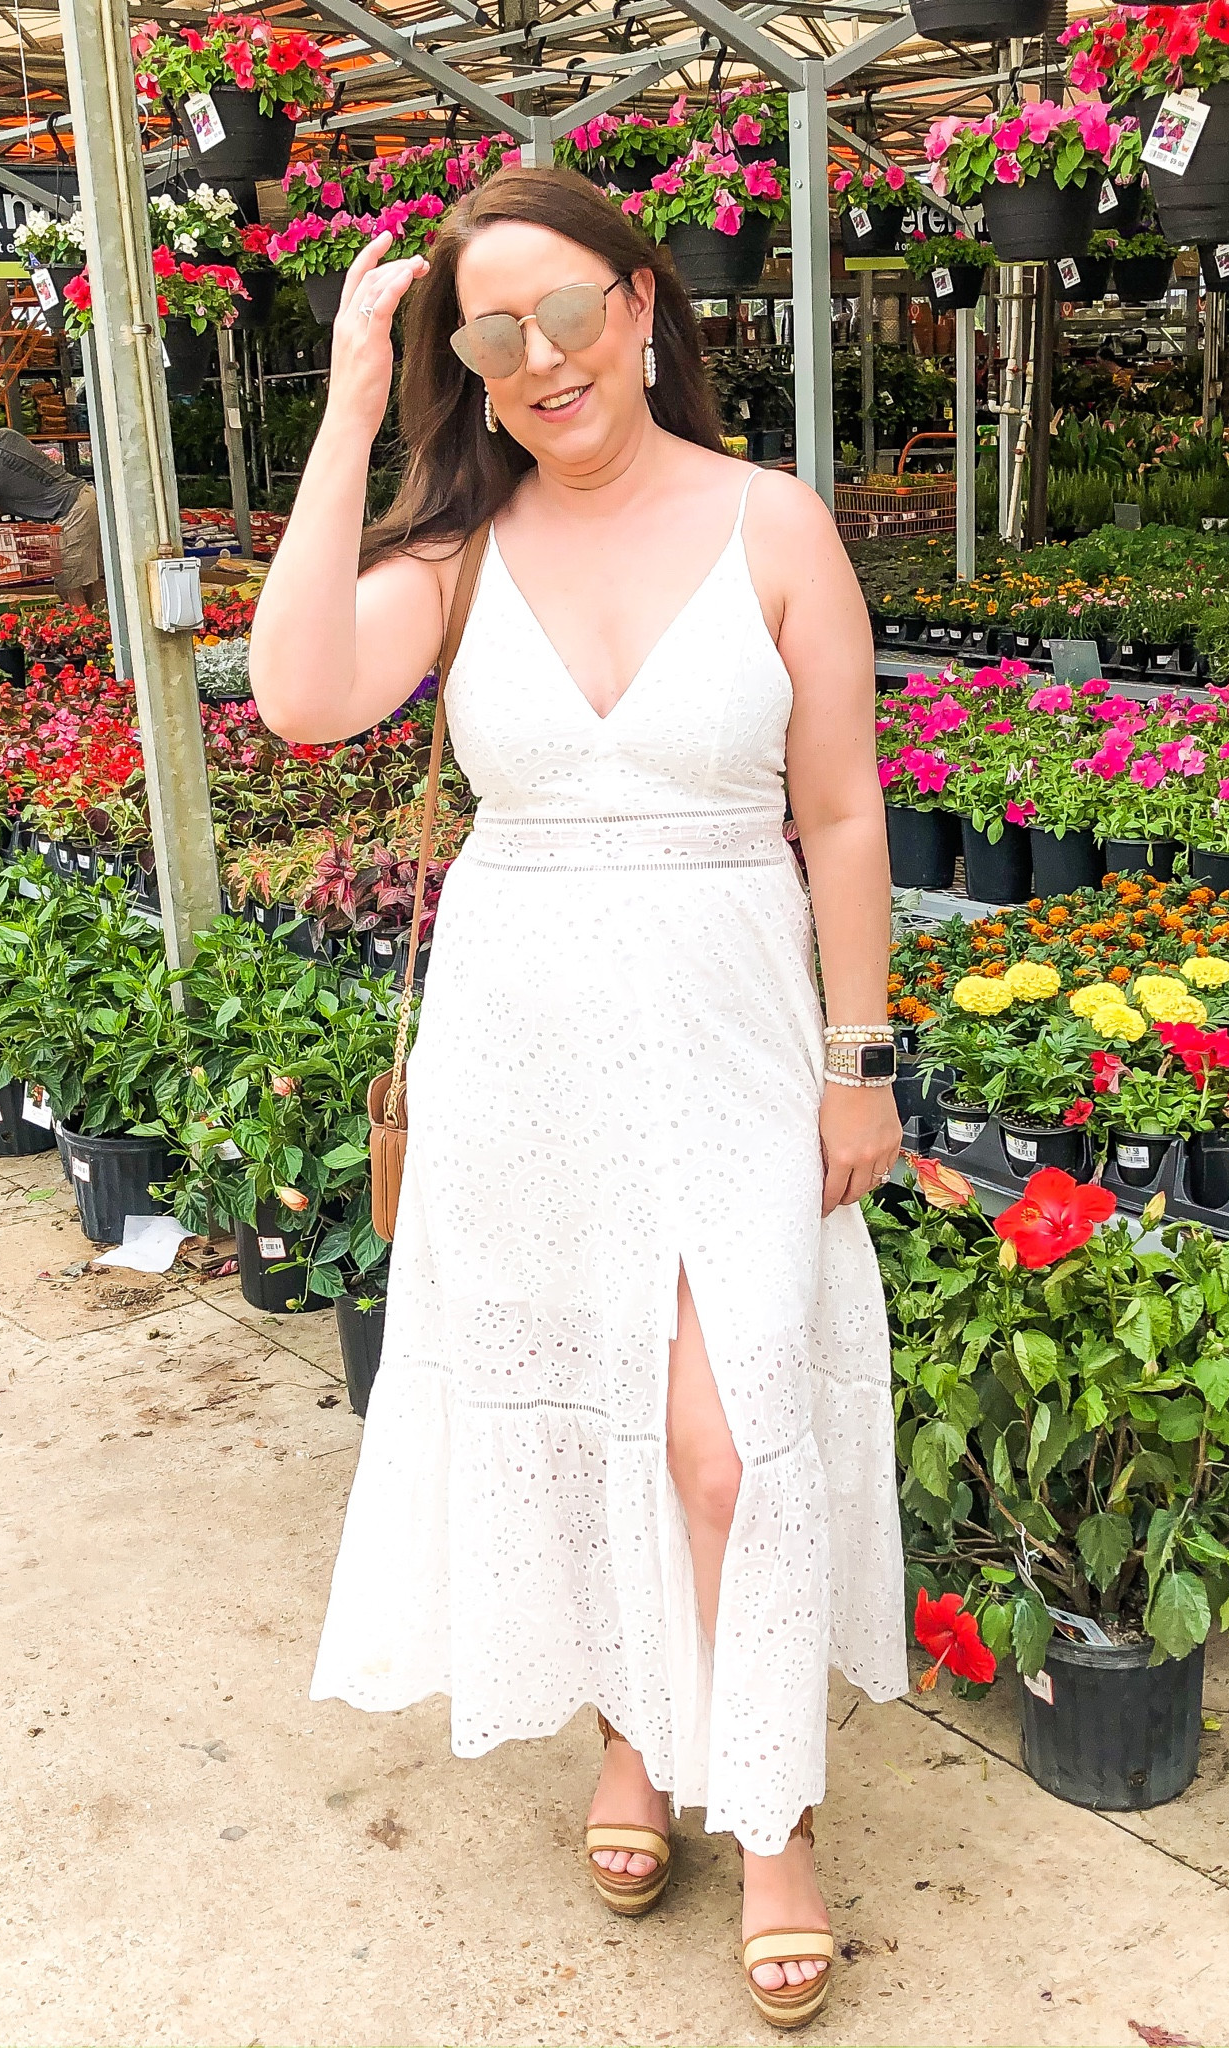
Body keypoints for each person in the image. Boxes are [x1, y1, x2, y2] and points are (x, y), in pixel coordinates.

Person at [250, 167, 907, 2033]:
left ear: (636, 304)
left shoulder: (777, 525)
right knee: (585, 1395)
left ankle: (767, 1809)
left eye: (563, 312)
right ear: (465, 357)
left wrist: (859, 1059)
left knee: (724, 1433)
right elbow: (298, 695)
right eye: (489, 331)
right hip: (519, 1040)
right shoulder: (462, 544)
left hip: (725, 1021)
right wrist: (355, 402)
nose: (535, 357)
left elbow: (842, 812)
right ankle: (633, 1736)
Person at [0, 413, 104, 608]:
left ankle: (85, 630)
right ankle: (106, 627)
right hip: (86, 497)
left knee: (70, 586)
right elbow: (22, 476)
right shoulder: (5, 435)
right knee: (92, 579)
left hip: (70, 512)